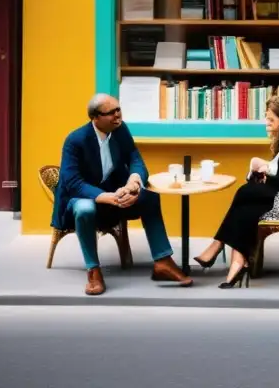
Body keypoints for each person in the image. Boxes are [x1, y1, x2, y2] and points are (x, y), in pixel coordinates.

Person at [52, 94, 192, 296]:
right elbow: (72, 183)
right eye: (111, 112)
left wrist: (133, 183)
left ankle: (163, 261)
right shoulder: (75, 141)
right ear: (95, 117)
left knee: (150, 196)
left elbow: (135, 158)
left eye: (119, 110)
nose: (118, 116)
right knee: (84, 209)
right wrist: (107, 196)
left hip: (117, 194)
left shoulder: (120, 129)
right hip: (83, 198)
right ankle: (93, 270)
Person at [194, 96, 279, 288]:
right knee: (246, 206)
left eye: (271, 119)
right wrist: (265, 174)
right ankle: (237, 261)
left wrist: (264, 176)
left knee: (244, 192)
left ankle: (220, 246)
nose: (267, 123)